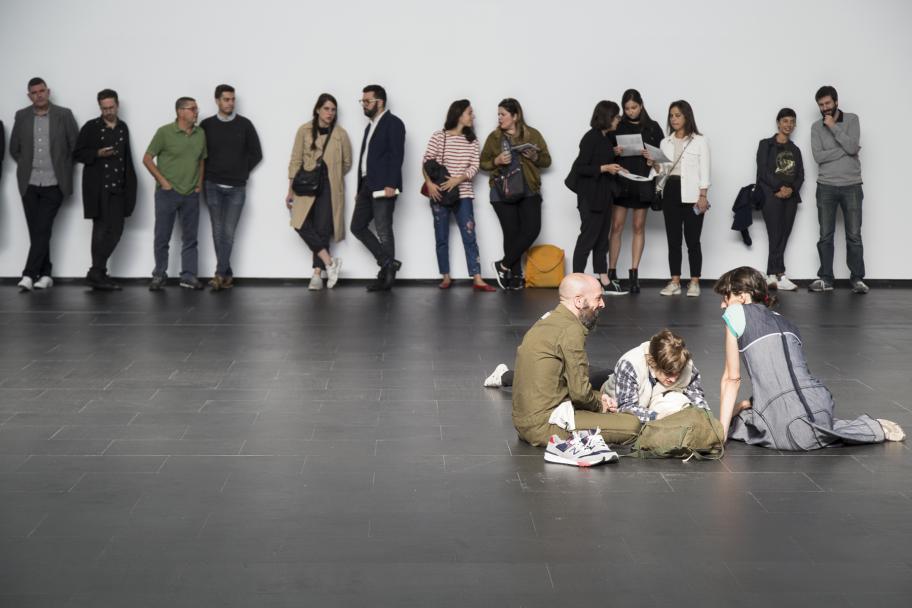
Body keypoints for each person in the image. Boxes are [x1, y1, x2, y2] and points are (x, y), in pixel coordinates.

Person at [716, 266, 905, 448]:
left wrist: (721, 436)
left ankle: (866, 428)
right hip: (820, 409)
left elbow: (731, 379)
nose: (722, 304)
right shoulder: (787, 324)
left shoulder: (735, 312)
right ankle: (870, 428)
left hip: (788, 429)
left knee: (738, 422)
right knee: (806, 426)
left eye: (726, 297)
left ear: (741, 297)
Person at [494, 273, 642, 447]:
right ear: (579, 301)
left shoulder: (549, 318)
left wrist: (600, 397)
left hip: (524, 423)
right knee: (632, 425)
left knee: (600, 396)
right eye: (598, 298)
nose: (602, 304)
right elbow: (579, 393)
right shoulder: (571, 330)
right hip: (544, 428)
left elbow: (566, 386)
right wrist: (601, 406)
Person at [8, 77, 79, 292]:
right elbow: (14, 149)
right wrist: (27, 166)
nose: (38, 95)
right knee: (38, 230)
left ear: (48, 92)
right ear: (29, 95)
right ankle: (46, 274)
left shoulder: (64, 115)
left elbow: (74, 146)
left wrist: (63, 167)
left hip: (54, 183)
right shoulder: (21, 116)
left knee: (42, 228)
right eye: (34, 92)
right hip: (29, 183)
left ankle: (29, 274)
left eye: (42, 91)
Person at [421, 100, 493, 291]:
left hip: (464, 193)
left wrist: (458, 179)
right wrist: (429, 184)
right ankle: (446, 276)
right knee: (441, 236)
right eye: (470, 112)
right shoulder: (439, 137)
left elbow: (474, 166)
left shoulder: (473, 141)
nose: (473, 116)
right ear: (459, 115)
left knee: (469, 235)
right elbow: (427, 162)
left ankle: (477, 278)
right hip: (439, 194)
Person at [480, 98, 552, 290]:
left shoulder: (532, 135)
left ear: (515, 116)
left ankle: (502, 266)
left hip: (529, 189)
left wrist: (535, 156)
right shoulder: (494, 138)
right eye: (498, 114)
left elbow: (546, 160)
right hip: (502, 191)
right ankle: (515, 276)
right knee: (511, 233)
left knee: (531, 230)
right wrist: (496, 161)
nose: (499, 118)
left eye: (503, 114)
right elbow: (483, 163)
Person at [73, 89, 138, 290]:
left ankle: (96, 271)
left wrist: (130, 185)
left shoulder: (123, 128)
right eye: (104, 108)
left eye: (111, 107)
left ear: (117, 105)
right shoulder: (91, 127)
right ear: (99, 107)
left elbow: (126, 158)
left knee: (117, 230)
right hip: (98, 188)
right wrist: (97, 153)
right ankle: (99, 273)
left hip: (118, 187)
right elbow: (77, 153)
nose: (108, 111)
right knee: (100, 230)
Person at [286, 93, 352, 290]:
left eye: (333, 109)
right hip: (306, 184)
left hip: (329, 186)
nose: (330, 113)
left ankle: (317, 274)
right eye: (326, 108)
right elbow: (295, 160)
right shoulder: (304, 130)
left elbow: (347, 163)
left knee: (322, 229)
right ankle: (330, 262)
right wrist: (290, 190)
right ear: (317, 109)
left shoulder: (340, 134)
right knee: (299, 223)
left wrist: (332, 173)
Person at [200, 84, 263, 291]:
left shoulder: (244, 124)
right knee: (218, 231)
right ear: (217, 100)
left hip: (237, 187)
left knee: (228, 231)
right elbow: (200, 154)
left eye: (232, 99)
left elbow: (256, 153)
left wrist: (241, 171)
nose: (230, 103)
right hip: (212, 185)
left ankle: (221, 273)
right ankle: (224, 274)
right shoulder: (207, 125)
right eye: (226, 99)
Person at [143, 97, 208, 290]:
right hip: (167, 194)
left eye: (196, 108)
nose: (196, 112)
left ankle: (188, 276)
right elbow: (147, 159)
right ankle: (159, 274)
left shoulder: (200, 133)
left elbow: (201, 160)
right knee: (162, 236)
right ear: (180, 112)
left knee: (190, 238)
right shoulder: (164, 132)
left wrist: (198, 185)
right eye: (192, 109)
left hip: (191, 194)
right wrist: (163, 182)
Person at [810, 86, 867, 294]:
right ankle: (826, 278)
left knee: (854, 235)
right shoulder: (816, 127)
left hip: (851, 185)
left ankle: (858, 278)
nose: (824, 108)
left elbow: (852, 148)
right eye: (821, 105)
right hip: (825, 186)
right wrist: (846, 150)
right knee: (826, 234)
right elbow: (819, 157)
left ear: (836, 102)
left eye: (827, 103)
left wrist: (834, 127)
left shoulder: (852, 119)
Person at [653, 100, 711, 297]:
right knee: (673, 240)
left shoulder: (700, 141)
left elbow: (705, 170)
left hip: (693, 194)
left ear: (687, 116)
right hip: (670, 191)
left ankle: (694, 281)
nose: (674, 119)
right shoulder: (665, 142)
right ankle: (675, 280)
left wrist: (703, 195)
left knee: (693, 240)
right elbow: (662, 173)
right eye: (671, 115)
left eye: (678, 115)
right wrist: (653, 164)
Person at [608, 89, 664, 294]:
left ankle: (634, 273)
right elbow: (606, 151)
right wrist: (614, 151)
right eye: (627, 108)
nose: (630, 112)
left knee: (638, 226)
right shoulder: (617, 125)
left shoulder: (653, 127)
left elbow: (662, 157)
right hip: (622, 180)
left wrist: (652, 158)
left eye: (634, 107)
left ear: (641, 105)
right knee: (616, 226)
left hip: (642, 181)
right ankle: (611, 272)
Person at [351, 84, 406, 292]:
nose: (363, 105)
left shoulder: (394, 123)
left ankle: (387, 278)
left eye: (367, 101)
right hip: (366, 184)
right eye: (362, 101)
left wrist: (391, 183)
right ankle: (387, 262)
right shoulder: (370, 126)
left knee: (383, 230)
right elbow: (365, 159)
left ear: (379, 102)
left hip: (384, 185)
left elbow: (396, 155)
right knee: (357, 226)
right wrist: (359, 188)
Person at [569, 100, 624, 291]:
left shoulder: (606, 138)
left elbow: (601, 156)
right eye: (616, 116)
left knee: (602, 239)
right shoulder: (590, 138)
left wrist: (613, 153)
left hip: (604, 195)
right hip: (590, 197)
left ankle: (603, 279)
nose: (619, 120)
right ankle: (576, 280)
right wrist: (605, 167)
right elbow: (582, 168)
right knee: (588, 238)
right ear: (607, 117)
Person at [602, 329, 710, 422]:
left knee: (680, 404)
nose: (674, 379)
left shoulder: (684, 364)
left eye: (678, 372)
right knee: (630, 423)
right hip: (618, 398)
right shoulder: (630, 364)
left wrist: (705, 419)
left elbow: (698, 399)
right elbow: (625, 407)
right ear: (652, 362)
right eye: (668, 373)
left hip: (656, 398)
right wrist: (656, 416)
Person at [756, 108, 804, 291]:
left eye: (792, 121)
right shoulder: (765, 144)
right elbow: (763, 171)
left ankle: (771, 275)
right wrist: (779, 188)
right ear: (778, 123)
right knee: (775, 234)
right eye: (785, 121)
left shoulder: (795, 149)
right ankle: (779, 273)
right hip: (771, 195)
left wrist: (790, 189)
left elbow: (800, 175)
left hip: (790, 197)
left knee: (784, 234)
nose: (789, 125)